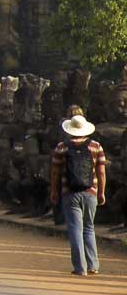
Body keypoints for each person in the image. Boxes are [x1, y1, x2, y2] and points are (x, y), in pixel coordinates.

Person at [49, 113, 108, 276]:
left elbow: (55, 173)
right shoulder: (96, 146)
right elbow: (101, 172)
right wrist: (101, 192)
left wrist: (54, 192)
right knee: (89, 227)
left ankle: (80, 267)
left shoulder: (61, 147)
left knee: (75, 228)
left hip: (69, 193)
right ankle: (93, 265)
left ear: (70, 130)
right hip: (91, 192)